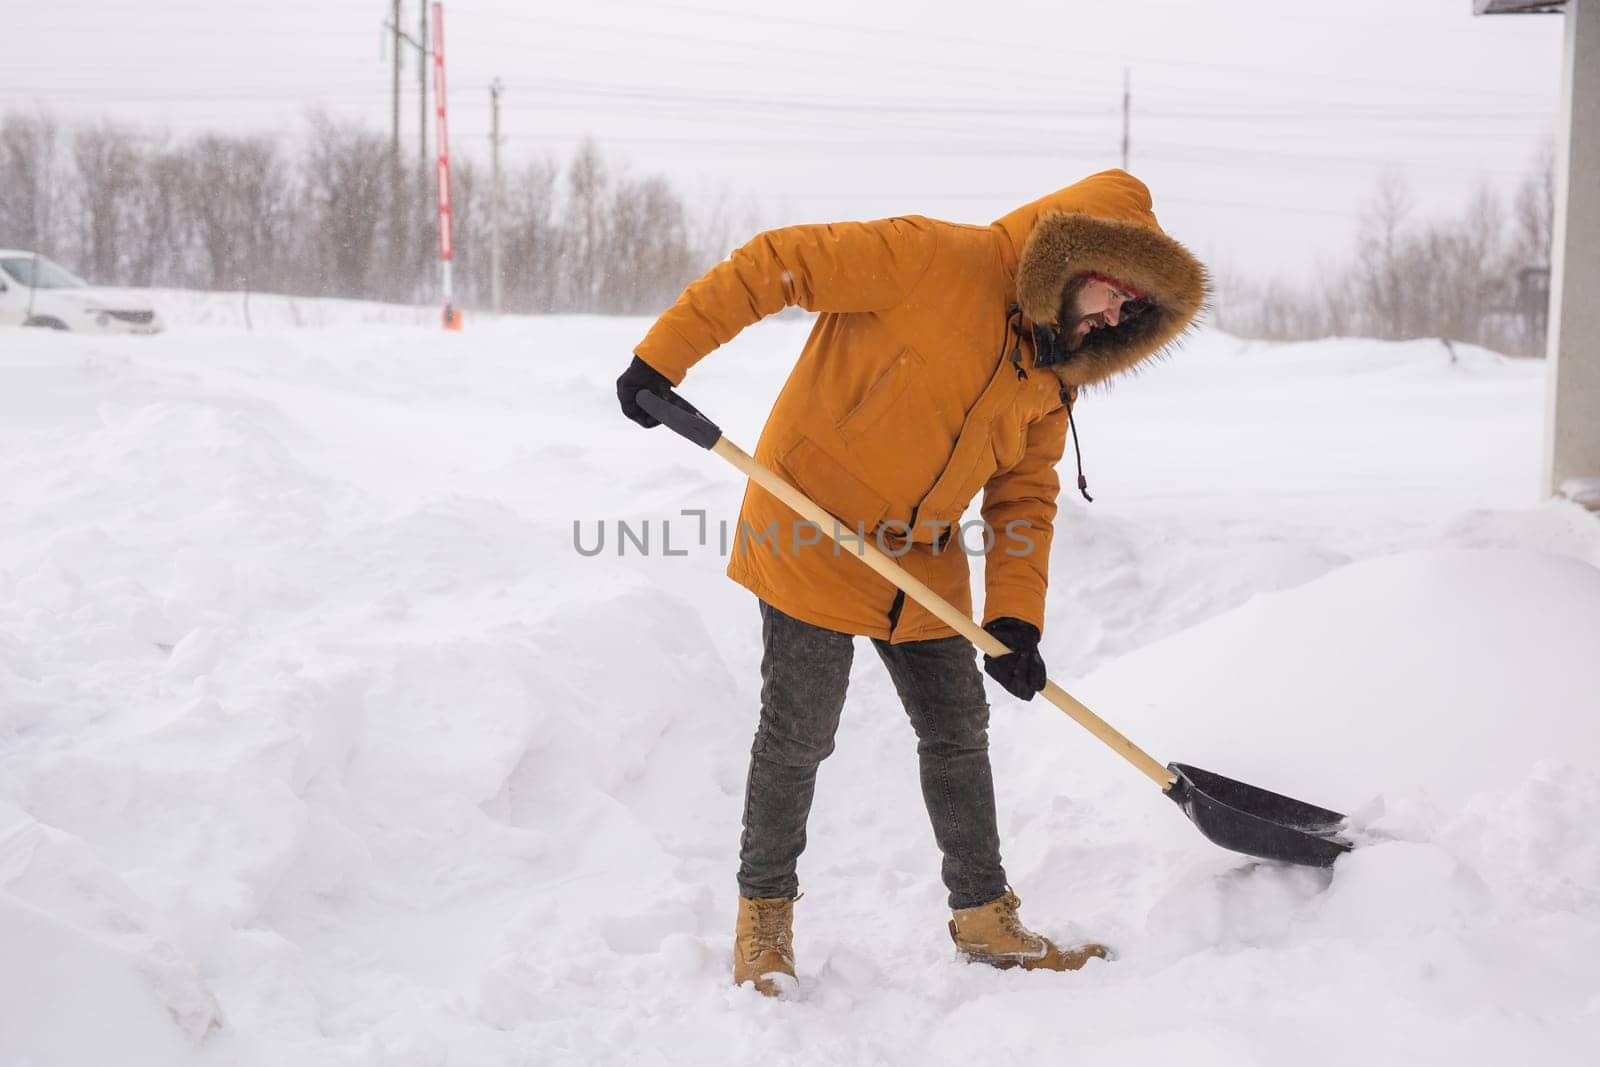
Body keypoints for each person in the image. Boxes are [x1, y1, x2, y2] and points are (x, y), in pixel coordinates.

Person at [615, 169, 1206, 996]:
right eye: (1116, 292)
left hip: (917, 558)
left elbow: (1024, 497)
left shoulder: (1050, 371)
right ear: (1076, 256)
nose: (1115, 316)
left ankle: (983, 914)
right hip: (808, 524)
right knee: (799, 735)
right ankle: (764, 918)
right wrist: (660, 358)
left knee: (958, 730)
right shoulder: (930, 257)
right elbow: (775, 263)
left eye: (1132, 310)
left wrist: (1015, 619)